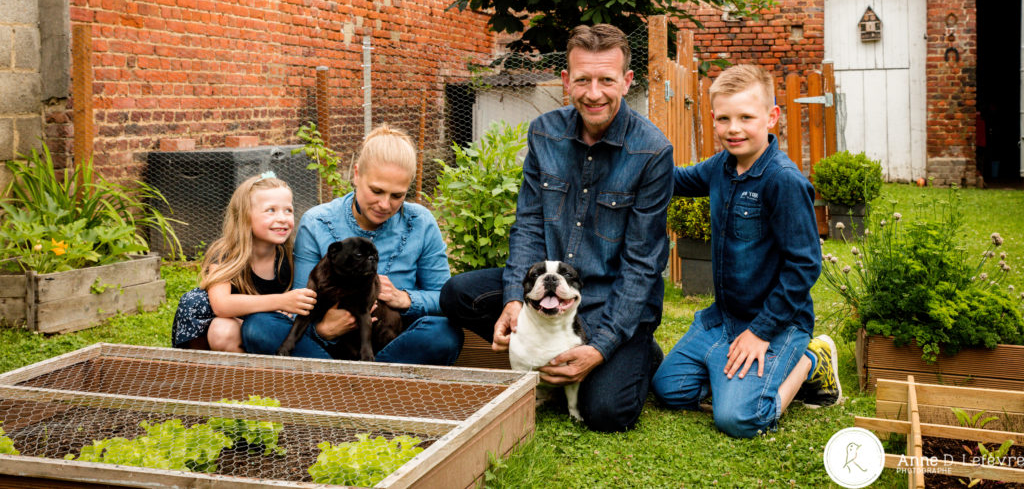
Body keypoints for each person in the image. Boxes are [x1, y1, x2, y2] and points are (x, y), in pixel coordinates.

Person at [441, 23, 675, 433]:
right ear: (566, 80)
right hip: (548, 290)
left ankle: (636, 351)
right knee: (458, 295)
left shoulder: (652, 151)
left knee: (606, 413)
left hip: (609, 301)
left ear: (627, 81)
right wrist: (514, 300)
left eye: (607, 80)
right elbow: (529, 225)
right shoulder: (544, 132)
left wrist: (599, 349)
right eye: (582, 79)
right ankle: (547, 344)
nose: (594, 92)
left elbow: (642, 266)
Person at [650, 64, 842, 438]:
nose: (733, 128)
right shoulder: (723, 165)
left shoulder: (783, 181)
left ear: (772, 118)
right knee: (668, 390)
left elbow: (804, 265)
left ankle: (808, 360)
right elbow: (675, 180)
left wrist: (762, 331)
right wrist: (630, 163)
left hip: (776, 323)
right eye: (724, 118)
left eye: (746, 117)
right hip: (725, 318)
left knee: (739, 419)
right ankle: (731, 367)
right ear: (713, 120)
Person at [241, 124, 463, 365]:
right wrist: (324, 330)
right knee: (258, 326)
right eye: (376, 191)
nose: (385, 204)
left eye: (397, 195)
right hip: (328, 346)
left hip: (395, 343)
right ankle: (370, 386)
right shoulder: (318, 223)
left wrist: (405, 298)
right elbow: (303, 301)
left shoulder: (420, 222)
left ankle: (350, 384)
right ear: (357, 175)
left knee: (444, 332)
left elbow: (444, 299)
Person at [172, 173, 315, 352]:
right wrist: (281, 301)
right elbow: (221, 305)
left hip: (270, 327)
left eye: (288, 210)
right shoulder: (226, 253)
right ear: (245, 216)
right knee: (212, 319)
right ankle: (209, 372)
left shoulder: (290, 254)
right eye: (271, 210)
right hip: (233, 324)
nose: (282, 218)